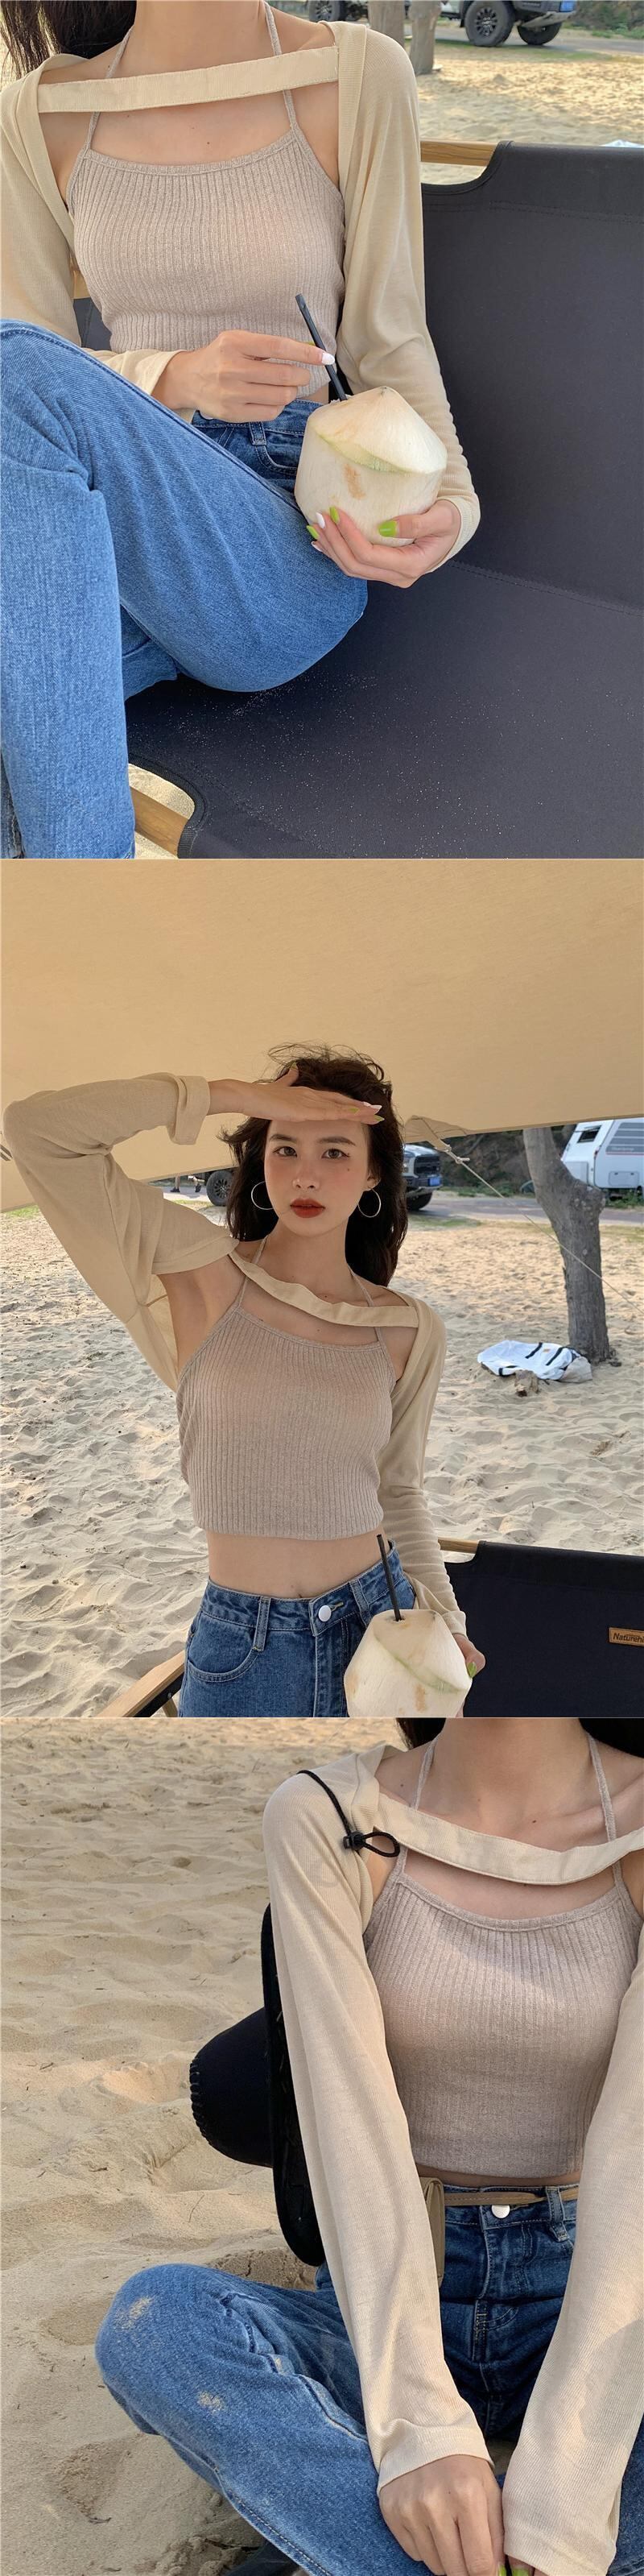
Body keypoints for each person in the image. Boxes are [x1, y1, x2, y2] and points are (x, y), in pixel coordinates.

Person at [93, 1713, 644, 2576]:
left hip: (590, 2284)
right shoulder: (330, 1813)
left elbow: (636, 2155)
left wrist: (565, 2498)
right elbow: (347, 2119)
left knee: (582, 2497)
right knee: (157, 2324)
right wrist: (417, 2426)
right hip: (387, 2293)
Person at [0, 0, 480, 856]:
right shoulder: (38, 112)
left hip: (290, 533)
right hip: (108, 535)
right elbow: (29, 370)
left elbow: (388, 338)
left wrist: (452, 505)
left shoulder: (355, 72)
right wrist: (175, 377)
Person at [2, 1047, 484, 1716]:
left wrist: (449, 1621)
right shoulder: (200, 1272)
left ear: (374, 1172)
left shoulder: (408, 1328)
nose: (306, 1174)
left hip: (383, 1624)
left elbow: (398, 1491)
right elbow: (39, 1132)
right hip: (246, 1643)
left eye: (335, 1152)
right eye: (285, 1148)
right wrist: (237, 1096)